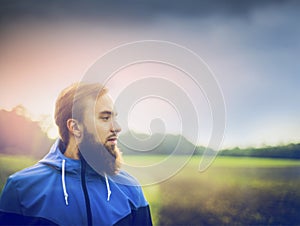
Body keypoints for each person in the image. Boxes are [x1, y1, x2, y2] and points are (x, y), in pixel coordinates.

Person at [0, 83, 152, 226]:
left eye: (114, 118)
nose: (117, 127)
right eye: (105, 118)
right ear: (75, 127)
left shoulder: (131, 189)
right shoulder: (21, 189)